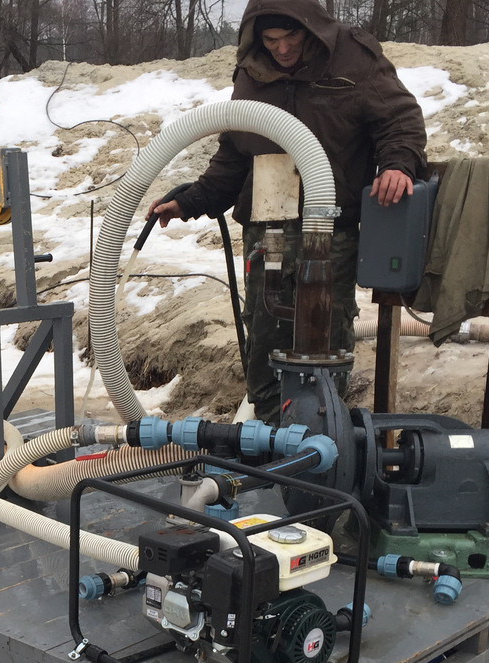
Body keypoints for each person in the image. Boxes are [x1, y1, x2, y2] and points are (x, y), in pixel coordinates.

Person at [148, 0, 427, 423]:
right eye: (271, 40)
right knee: (265, 326)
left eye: (291, 37)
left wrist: (397, 163)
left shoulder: (354, 58)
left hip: (331, 223)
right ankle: (267, 426)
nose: (281, 49)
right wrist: (190, 201)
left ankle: (323, 427)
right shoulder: (251, 71)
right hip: (267, 224)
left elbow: (400, 119)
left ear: (310, 29)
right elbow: (235, 150)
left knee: (325, 326)